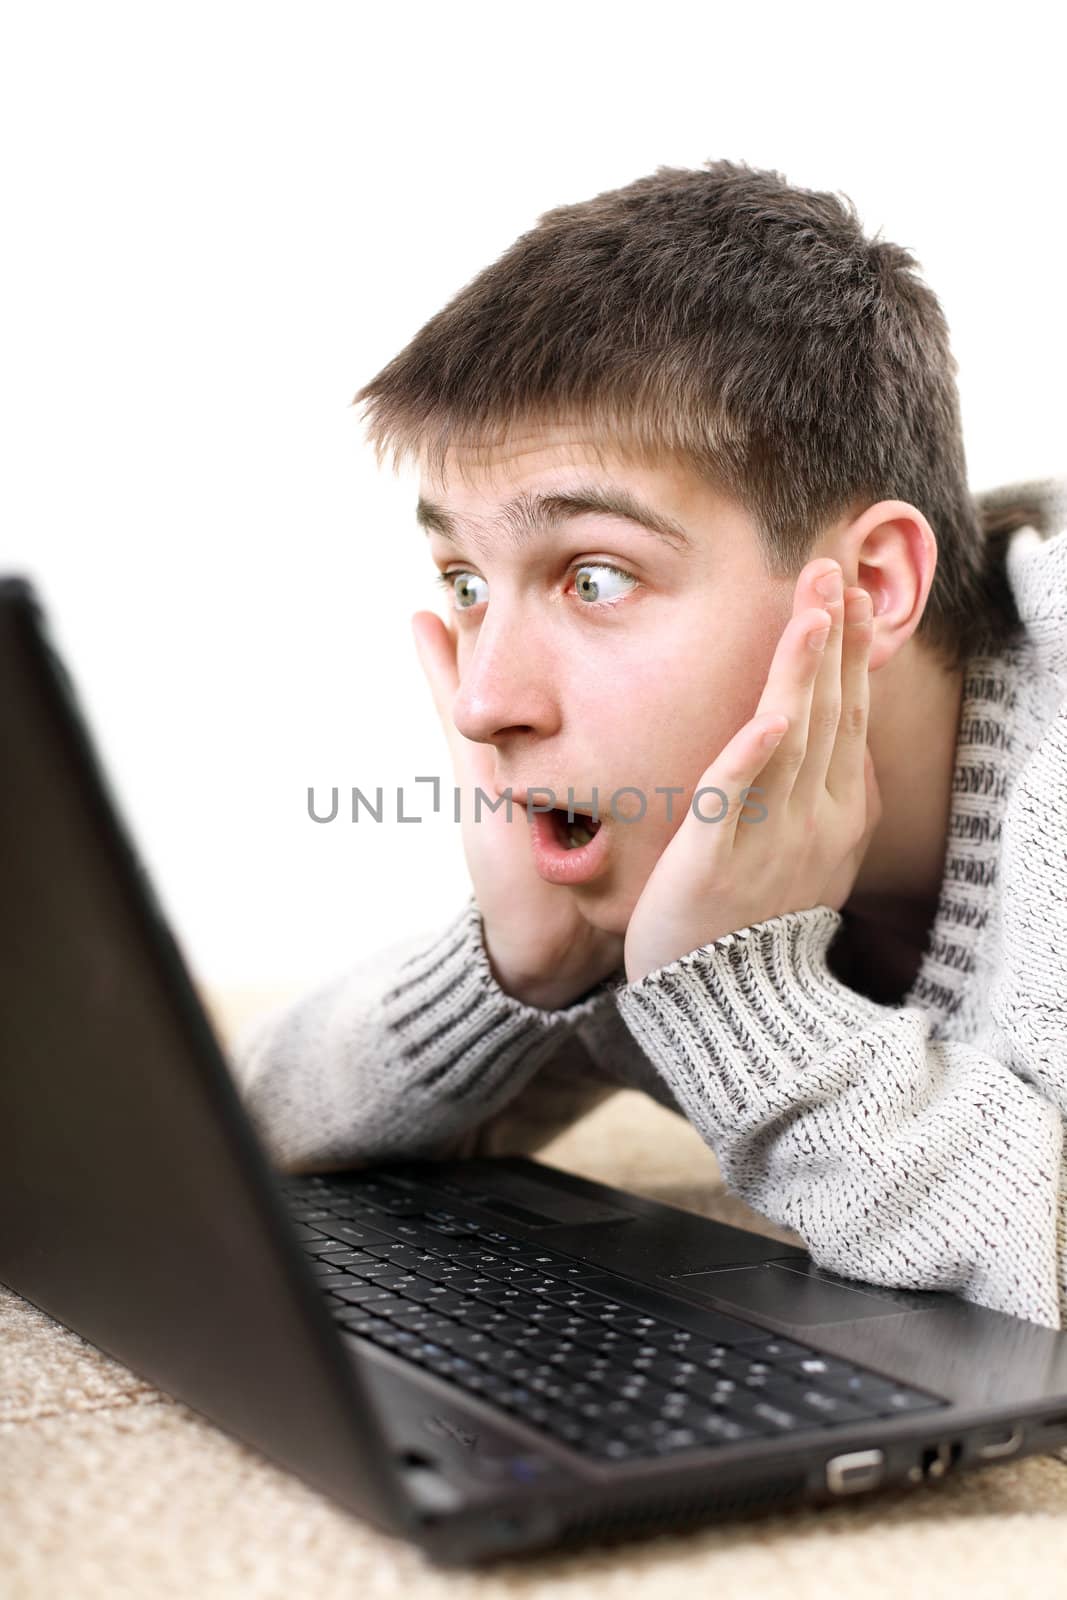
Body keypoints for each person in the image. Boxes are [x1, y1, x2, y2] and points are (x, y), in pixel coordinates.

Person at [231, 159, 1067, 1330]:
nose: (485, 701)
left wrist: (744, 996)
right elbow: (248, 1129)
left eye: (595, 573)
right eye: (465, 582)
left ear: (870, 585)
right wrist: (515, 976)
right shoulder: (678, 843)